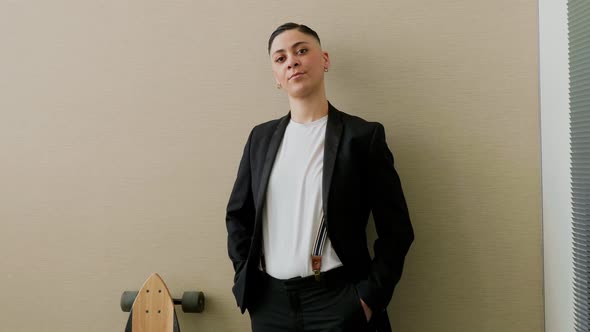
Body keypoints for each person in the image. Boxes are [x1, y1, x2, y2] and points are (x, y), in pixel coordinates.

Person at [225, 22, 414, 332]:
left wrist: (367, 299)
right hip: (270, 304)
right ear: (276, 76)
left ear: (324, 60)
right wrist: (245, 279)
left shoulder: (362, 137)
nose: (292, 61)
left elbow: (397, 230)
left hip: (339, 300)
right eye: (280, 58)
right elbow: (238, 216)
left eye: (301, 50)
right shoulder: (260, 139)